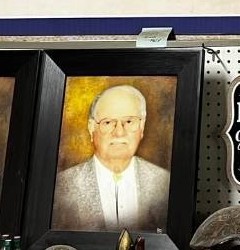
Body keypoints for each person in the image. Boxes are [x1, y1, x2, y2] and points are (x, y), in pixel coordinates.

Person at [53, 86, 169, 232]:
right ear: (91, 127)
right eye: (107, 122)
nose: (119, 132)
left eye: (128, 121)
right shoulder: (62, 187)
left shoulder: (164, 183)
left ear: (142, 126)